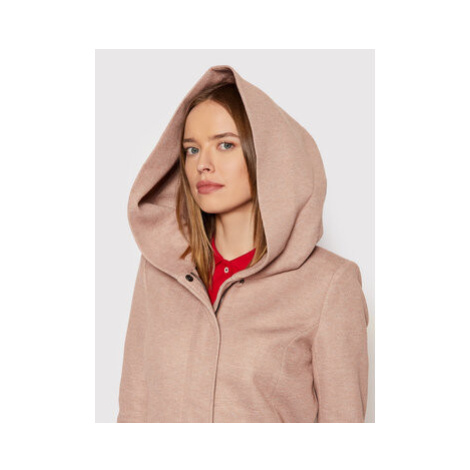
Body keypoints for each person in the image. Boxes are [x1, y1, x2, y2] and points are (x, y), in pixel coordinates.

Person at [117, 65, 370, 423]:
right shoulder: (159, 267)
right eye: (191, 149)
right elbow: (133, 410)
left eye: (225, 145)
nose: (203, 164)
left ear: (266, 155)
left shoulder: (329, 285)